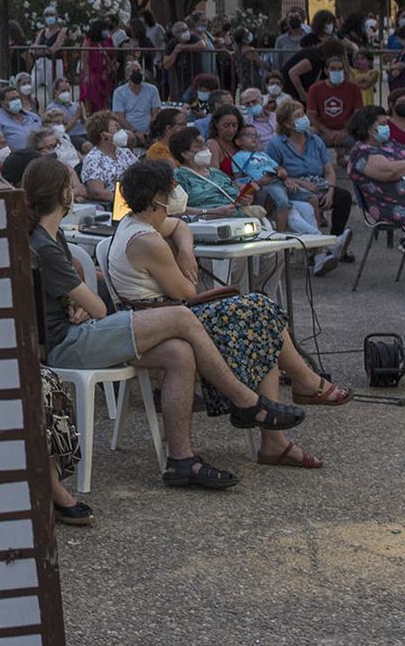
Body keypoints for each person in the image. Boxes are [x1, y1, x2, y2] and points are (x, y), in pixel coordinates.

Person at [24, 157, 307, 491]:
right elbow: (99, 309)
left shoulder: (47, 237)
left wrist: (76, 300)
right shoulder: (45, 244)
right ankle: (245, 401)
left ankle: (181, 460)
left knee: (179, 353)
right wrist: (84, 303)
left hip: (78, 334)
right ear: (64, 194)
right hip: (69, 345)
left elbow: (76, 282)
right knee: (182, 316)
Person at [105, 160, 344, 469]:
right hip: (161, 321)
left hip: (168, 314)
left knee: (260, 318)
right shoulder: (147, 240)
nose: (178, 192)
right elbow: (186, 292)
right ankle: (303, 391)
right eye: (172, 188)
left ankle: (288, 416)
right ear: (156, 198)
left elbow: (178, 226)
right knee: (260, 313)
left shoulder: (139, 221)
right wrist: (182, 262)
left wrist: (186, 250)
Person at [267, 100, 353, 246]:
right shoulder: (276, 144)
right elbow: (272, 172)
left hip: (318, 185)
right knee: (309, 200)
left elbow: (328, 170)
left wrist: (330, 190)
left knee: (344, 197)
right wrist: (298, 182)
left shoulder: (315, 141)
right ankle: (326, 245)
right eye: (297, 116)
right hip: (293, 187)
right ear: (287, 123)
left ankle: (336, 238)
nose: (303, 118)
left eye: (303, 114)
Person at [231, 124, 319, 234]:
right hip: (266, 185)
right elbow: (239, 179)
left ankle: (319, 235)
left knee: (312, 198)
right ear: (238, 141)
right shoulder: (238, 157)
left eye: (256, 135)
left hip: (279, 180)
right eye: (249, 135)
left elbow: (277, 167)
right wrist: (258, 182)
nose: (254, 137)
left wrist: (282, 172)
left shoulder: (263, 155)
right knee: (282, 201)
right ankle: (281, 234)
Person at [345, 106, 405, 227]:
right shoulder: (362, 153)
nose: (387, 127)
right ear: (369, 129)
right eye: (383, 124)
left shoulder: (389, 144)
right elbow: (389, 172)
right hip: (393, 205)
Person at [305, 46, 361, 154]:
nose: (337, 71)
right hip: (322, 131)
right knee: (308, 133)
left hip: (348, 131)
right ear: (326, 71)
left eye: (340, 69)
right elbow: (311, 114)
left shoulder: (353, 88)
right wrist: (327, 131)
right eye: (333, 69)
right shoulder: (315, 88)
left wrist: (345, 131)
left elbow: (358, 113)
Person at [78, 111, 137, 203]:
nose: (121, 132)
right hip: (116, 203)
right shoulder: (93, 159)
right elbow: (98, 192)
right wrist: (127, 200)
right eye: (117, 128)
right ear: (103, 135)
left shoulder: (125, 153)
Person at [108, 60, 159, 138]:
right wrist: (136, 132)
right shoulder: (119, 92)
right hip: (129, 132)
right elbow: (120, 118)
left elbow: (155, 114)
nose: (137, 73)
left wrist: (150, 131)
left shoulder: (152, 90)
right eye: (133, 71)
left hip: (149, 131)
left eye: (138, 70)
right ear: (127, 76)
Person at [0, 84, 42, 152]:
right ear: (3, 103)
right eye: (12, 99)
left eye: (18, 97)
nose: (17, 101)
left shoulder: (33, 117)